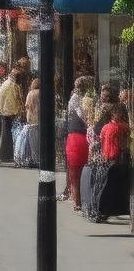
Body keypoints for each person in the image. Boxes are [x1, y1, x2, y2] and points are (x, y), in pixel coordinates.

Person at [63, 76, 93, 209]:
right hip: (78, 135)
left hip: (76, 134)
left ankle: (78, 200)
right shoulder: (77, 97)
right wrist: (89, 123)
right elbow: (82, 114)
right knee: (77, 168)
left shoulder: (77, 97)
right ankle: (78, 200)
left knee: (75, 168)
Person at [0, 67, 25, 166]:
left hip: (4, 112)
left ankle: (5, 156)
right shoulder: (14, 86)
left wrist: (1, 110)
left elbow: (1, 98)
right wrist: (20, 110)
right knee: (12, 135)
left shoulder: (5, 83)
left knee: (6, 135)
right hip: (11, 113)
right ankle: (11, 156)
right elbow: (18, 100)